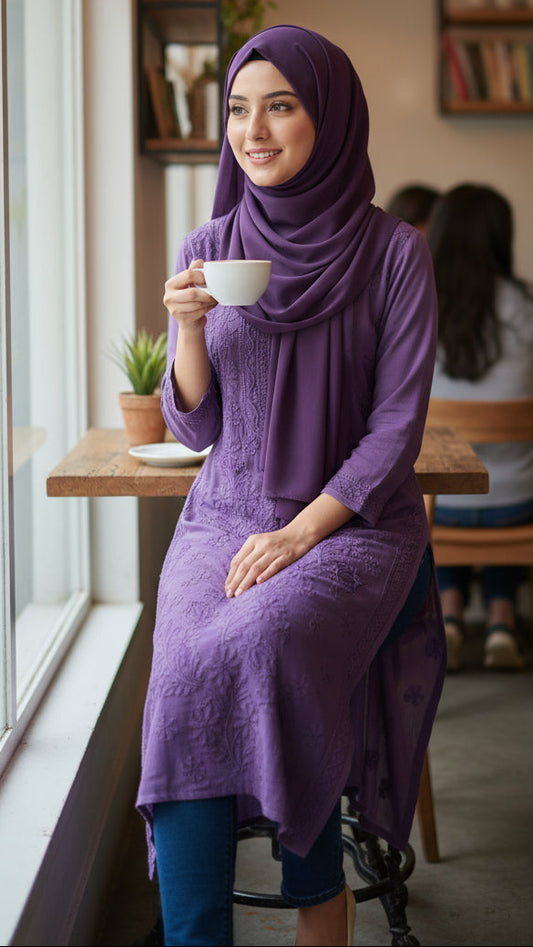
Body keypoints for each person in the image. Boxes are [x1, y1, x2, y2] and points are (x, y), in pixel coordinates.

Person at [136, 25, 446, 947]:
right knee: (188, 664)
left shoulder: (395, 254)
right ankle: (196, 935)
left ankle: (317, 894)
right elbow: (195, 427)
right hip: (223, 513)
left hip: (351, 527)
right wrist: (186, 330)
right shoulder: (210, 243)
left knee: (270, 637)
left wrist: (301, 532)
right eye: (238, 108)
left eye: (281, 105)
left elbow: (396, 431)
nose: (253, 130)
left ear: (331, 117)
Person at [428, 183, 533, 672]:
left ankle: (448, 618)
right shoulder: (527, 309)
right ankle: (501, 620)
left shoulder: (415, 310)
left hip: (438, 508)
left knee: (436, 486)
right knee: (504, 483)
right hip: (518, 503)